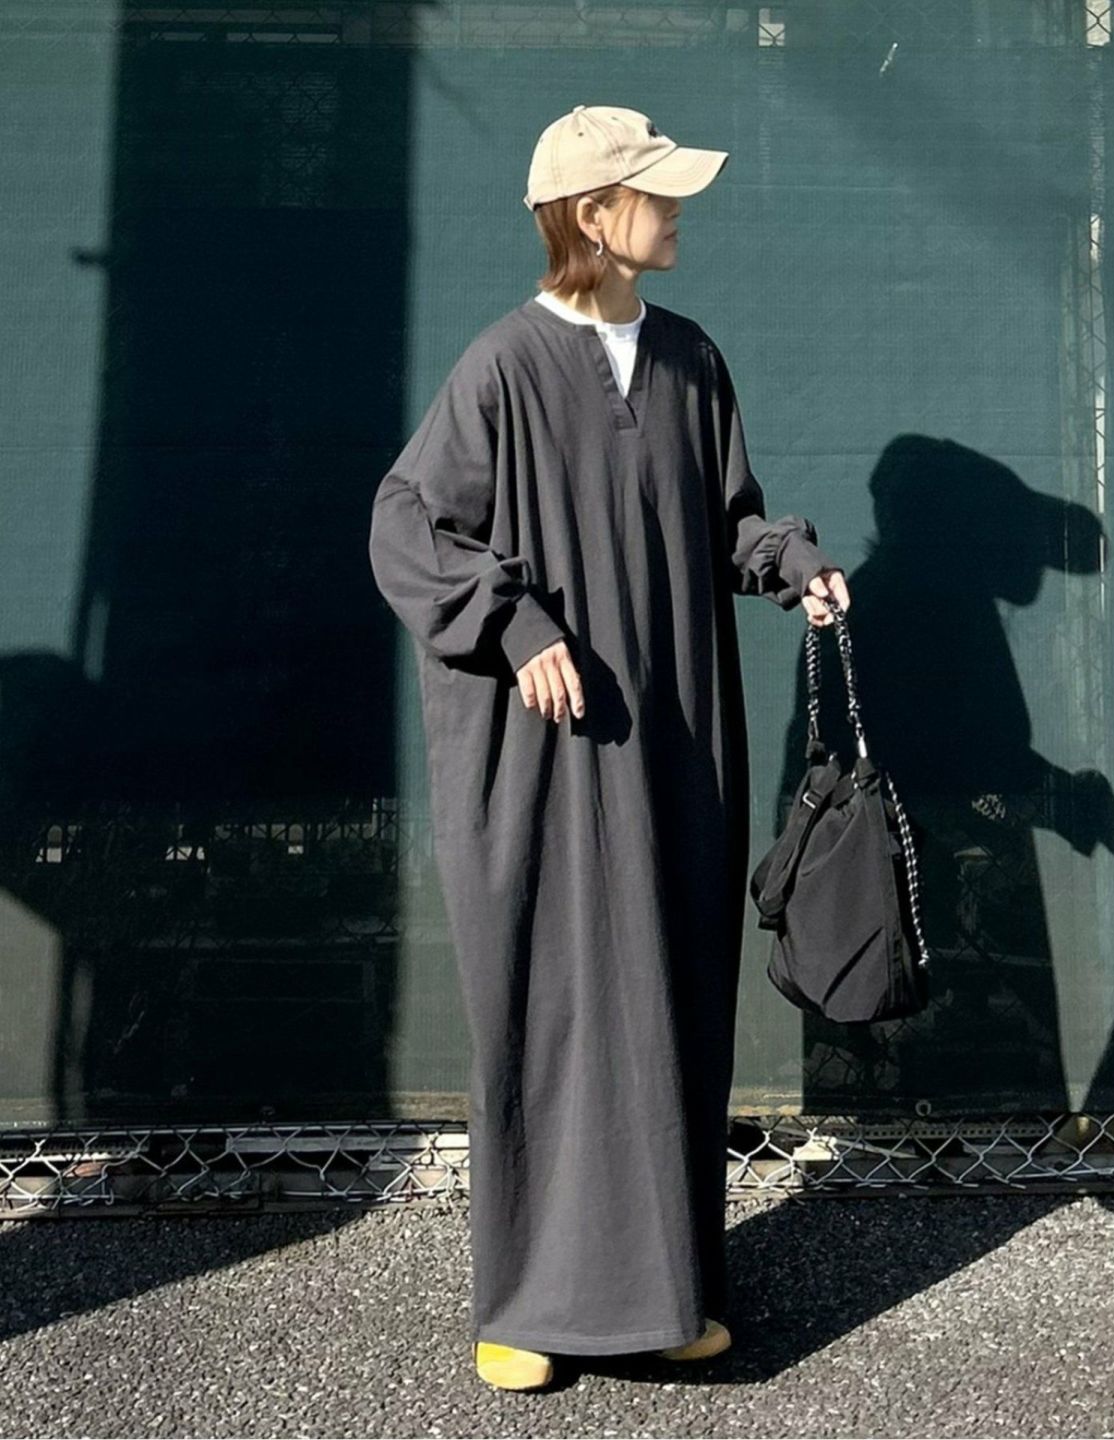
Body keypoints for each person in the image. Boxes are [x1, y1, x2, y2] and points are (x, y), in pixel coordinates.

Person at [368, 104, 851, 1392]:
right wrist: (515, 623)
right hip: (549, 757)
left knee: (673, 1000)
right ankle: (526, 1308)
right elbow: (409, 525)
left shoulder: (691, 359)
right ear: (592, 215)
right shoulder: (503, 367)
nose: (678, 208)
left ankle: (669, 1292)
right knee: (551, 1002)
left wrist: (789, 562)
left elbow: (728, 517)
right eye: (655, 190)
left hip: (679, 746)